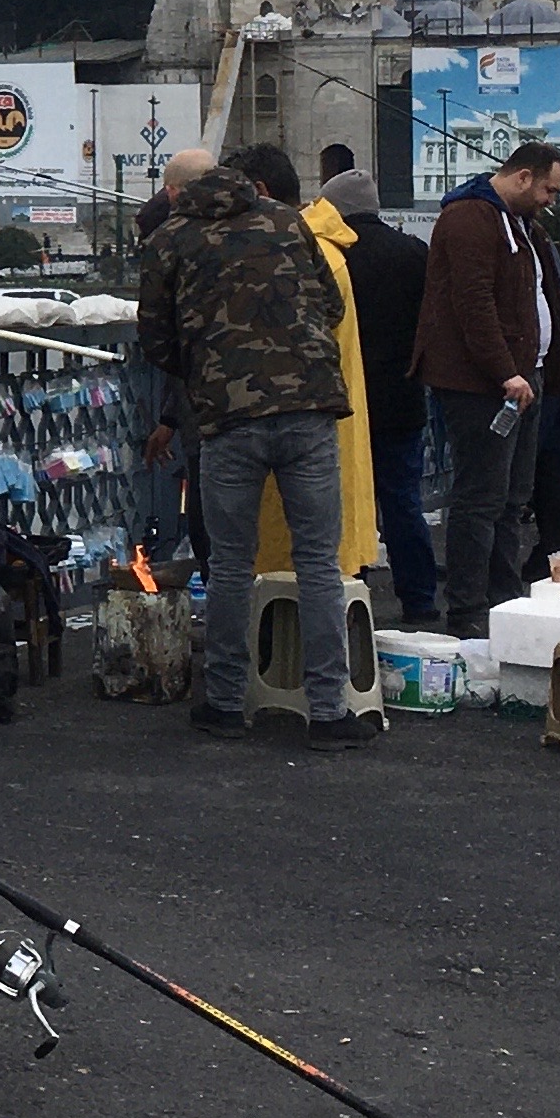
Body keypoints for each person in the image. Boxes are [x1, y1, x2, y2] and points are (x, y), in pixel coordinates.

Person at [136, 146, 368, 744]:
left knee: (231, 566)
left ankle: (224, 704)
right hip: (309, 408)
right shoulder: (288, 221)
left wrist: (206, 371)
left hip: (228, 417)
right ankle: (329, 712)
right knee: (318, 563)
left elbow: (155, 339)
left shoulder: (170, 240)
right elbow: (332, 304)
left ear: (179, 193)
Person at [410, 141, 560, 639]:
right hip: (483, 384)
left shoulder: (522, 226)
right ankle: (467, 607)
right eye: (550, 189)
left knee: (511, 498)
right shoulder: (470, 219)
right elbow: (473, 302)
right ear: (524, 176)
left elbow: (542, 297)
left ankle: (502, 597)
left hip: (519, 379)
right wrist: (503, 370)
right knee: (481, 497)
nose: (553, 200)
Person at [250, 146, 381, 638]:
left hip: (288, 418)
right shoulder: (326, 249)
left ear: (260, 193)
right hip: (329, 416)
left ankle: (299, 675)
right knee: (325, 556)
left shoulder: (293, 253)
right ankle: (325, 684)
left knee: (301, 559)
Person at [321, 169, 434, 625]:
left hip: (344, 399)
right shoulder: (414, 252)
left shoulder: (332, 254)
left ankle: (353, 594)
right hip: (402, 398)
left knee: (343, 499)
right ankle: (420, 597)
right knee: (403, 500)